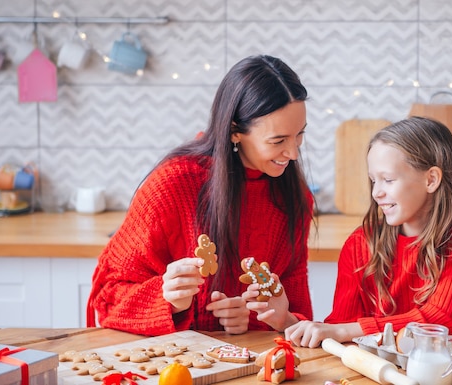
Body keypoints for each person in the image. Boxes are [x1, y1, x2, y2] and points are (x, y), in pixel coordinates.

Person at [86, 54, 314, 336]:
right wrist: (168, 300)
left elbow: (298, 315)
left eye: (299, 135)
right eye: (278, 140)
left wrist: (257, 320)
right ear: (234, 132)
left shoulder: (294, 197)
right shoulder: (173, 185)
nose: (293, 153)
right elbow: (108, 297)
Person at [284, 116, 452, 348]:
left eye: (388, 180)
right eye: (374, 180)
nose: (376, 193)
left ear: (431, 179)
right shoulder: (360, 244)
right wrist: (288, 321)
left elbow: (441, 318)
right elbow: (340, 328)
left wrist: (345, 330)